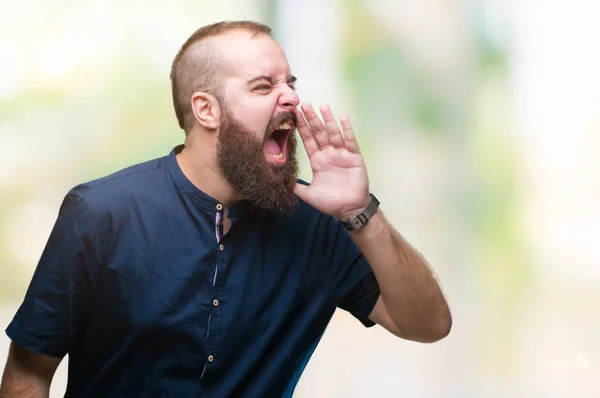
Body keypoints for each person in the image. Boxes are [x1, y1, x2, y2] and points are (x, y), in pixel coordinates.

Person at [0, 20, 451, 398]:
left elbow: (428, 325)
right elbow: (29, 372)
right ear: (206, 110)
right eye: (264, 86)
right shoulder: (100, 214)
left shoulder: (324, 225)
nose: (291, 98)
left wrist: (361, 211)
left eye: (290, 84)